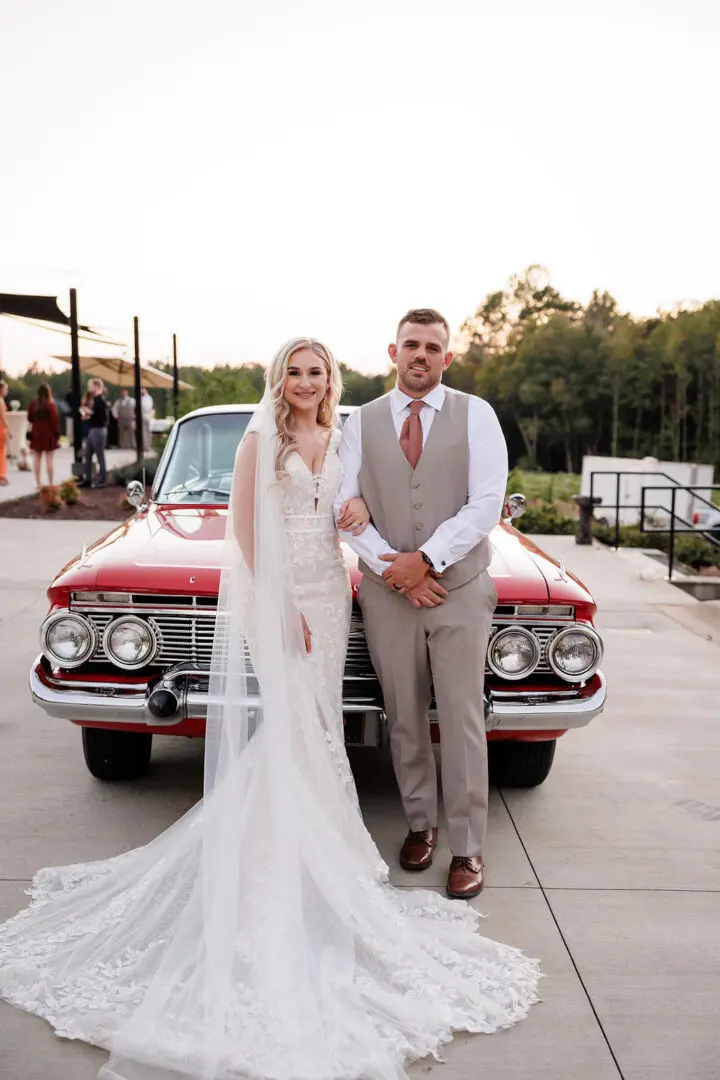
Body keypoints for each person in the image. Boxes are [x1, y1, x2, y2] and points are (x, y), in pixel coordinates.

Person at [0, 338, 539, 1080]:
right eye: (296, 370)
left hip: (332, 586)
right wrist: (281, 605)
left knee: (314, 725)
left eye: (318, 371)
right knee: (292, 726)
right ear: (279, 379)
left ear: (331, 380)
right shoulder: (262, 437)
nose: (307, 382)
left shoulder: (343, 435)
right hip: (281, 597)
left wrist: (364, 523)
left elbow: (357, 511)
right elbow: (248, 534)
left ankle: (315, 853)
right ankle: (282, 862)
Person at [335, 309, 508, 901]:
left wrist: (426, 560)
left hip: (459, 590)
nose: (421, 356)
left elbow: (486, 503)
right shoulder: (360, 421)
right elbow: (346, 505)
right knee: (404, 716)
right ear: (393, 351)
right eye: (412, 344)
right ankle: (420, 825)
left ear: (447, 358)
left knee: (460, 720)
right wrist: (395, 569)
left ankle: (467, 846)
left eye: (433, 347)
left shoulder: (476, 415)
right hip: (388, 594)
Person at [26, 383, 61, 488]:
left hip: (36, 433)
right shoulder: (51, 405)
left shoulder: (33, 404)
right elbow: (55, 422)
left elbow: (29, 418)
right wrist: (57, 436)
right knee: (49, 459)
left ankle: (38, 483)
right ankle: (50, 483)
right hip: (49, 434)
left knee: (37, 459)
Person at [78, 377, 108, 488]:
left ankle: (102, 480)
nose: (89, 389)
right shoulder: (94, 400)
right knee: (88, 454)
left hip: (99, 430)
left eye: (91, 386)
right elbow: (95, 416)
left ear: (97, 386)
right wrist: (87, 417)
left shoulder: (101, 400)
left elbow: (103, 418)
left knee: (100, 455)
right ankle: (88, 479)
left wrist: (90, 413)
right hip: (92, 430)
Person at [0, 380, 9, 486]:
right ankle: (2, 475)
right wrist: (9, 430)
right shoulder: (1, 401)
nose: (7, 391)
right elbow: (3, 418)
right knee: (2, 453)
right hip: (1, 429)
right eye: (6, 389)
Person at [140, 386, 154, 451]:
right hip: (142, 417)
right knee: (143, 433)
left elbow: (147, 408)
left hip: (146, 417)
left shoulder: (148, 398)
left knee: (147, 432)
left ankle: (147, 446)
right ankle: (144, 446)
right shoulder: (142, 398)